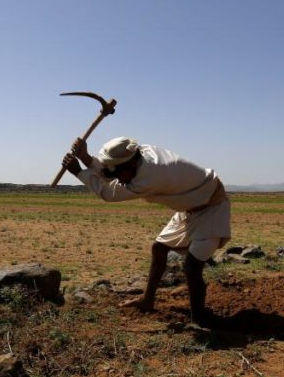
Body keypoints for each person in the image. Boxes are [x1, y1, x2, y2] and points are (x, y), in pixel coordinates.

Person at [62, 136, 231, 327]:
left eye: (120, 173)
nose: (118, 178)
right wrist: (85, 156)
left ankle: (199, 320)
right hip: (190, 206)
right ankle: (147, 300)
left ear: (131, 165)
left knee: (192, 267)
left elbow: (108, 192)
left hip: (211, 207)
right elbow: (111, 173)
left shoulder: (149, 177)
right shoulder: (137, 157)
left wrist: (78, 172)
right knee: (159, 248)